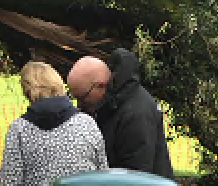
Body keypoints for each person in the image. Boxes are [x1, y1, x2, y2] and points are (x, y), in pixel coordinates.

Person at [67, 48, 174, 178]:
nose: (79, 105)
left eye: (82, 98)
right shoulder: (108, 106)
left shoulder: (136, 114)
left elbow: (137, 178)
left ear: (100, 85)